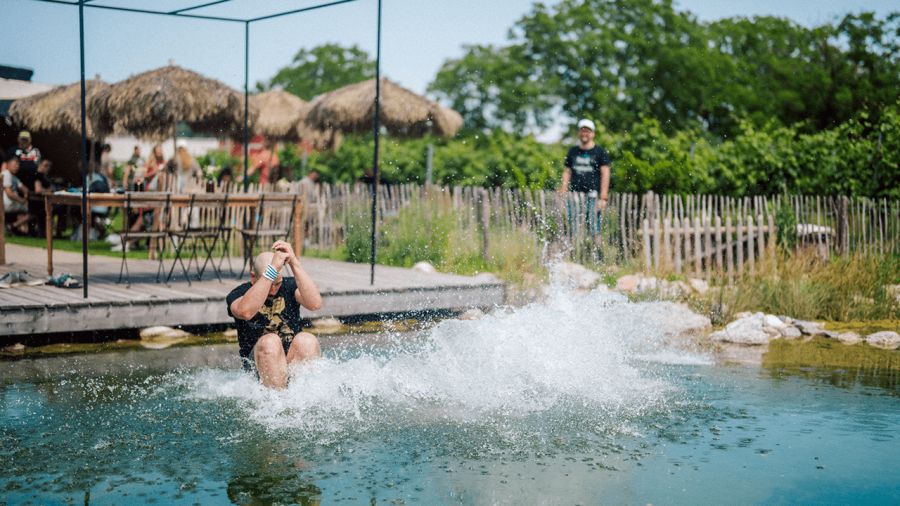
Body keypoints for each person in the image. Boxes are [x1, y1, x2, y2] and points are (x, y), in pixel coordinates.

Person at [226, 240, 323, 389]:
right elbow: (245, 312)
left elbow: (315, 304)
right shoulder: (240, 293)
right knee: (270, 341)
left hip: (290, 361)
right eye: (270, 283)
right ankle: (277, 402)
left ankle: (304, 399)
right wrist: (271, 272)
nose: (273, 289)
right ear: (253, 277)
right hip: (259, 368)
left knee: (307, 340)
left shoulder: (289, 286)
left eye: (277, 283)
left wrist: (294, 263)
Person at [560, 118, 611, 236]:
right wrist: (563, 188)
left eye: (587, 131)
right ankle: (573, 251)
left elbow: (605, 173)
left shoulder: (600, 152)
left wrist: (603, 196)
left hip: (593, 194)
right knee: (573, 225)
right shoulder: (573, 151)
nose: (585, 133)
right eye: (582, 131)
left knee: (594, 227)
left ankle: (596, 252)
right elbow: (567, 171)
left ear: (593, 134)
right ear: (579, 133)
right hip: (575, 194)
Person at [2, 154, 29, 234]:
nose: (17, 167)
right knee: (33, 211)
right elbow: (9, 193)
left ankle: (18, 229)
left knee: (24, 210)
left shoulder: (14, 177)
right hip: (6, 204)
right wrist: (22, 200)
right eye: (14, 165)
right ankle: (12, 226)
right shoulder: (6, 174)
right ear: (8, 165)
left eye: (18, 165)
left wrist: (25, 195)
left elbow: (24, 189)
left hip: (13, 204)